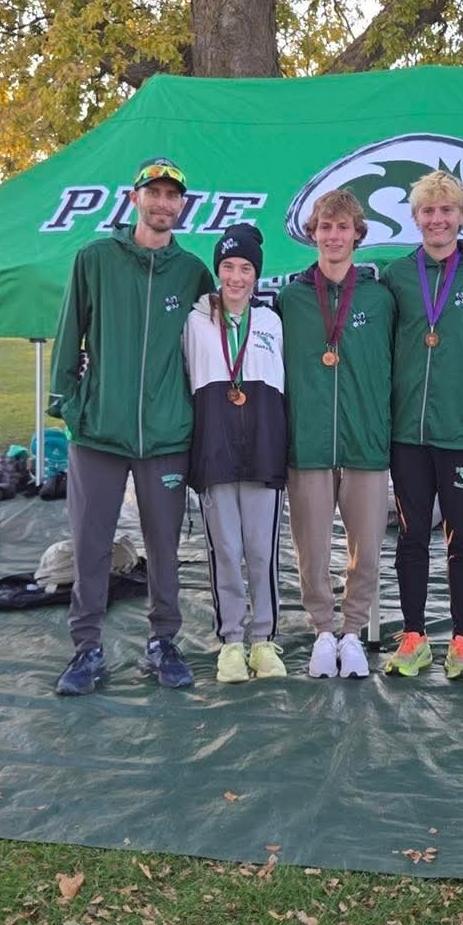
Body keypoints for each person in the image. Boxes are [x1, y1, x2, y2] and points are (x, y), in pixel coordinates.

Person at [49, 157, 214, 695]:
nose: (163, 203)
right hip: (98, 433)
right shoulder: (95, 258)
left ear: (181, 206)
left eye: (173, 196)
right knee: (90, 542)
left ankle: (163, 642)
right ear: (134, 198)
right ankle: (87, 648)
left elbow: (208, 352)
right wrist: (72, 407)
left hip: (165, 436)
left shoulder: (192, 272)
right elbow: (70, 332)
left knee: (163, 543)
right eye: (155, 193)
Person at [381, 171, 463, 682]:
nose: (437, 219)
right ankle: (413, 635)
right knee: (411, 538)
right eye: (428, 211)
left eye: (447, 210)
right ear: (415, 217)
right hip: (408, 433)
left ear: (462, 216)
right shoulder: (397, 275)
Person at [277, 189, 395, 678]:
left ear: (358, 234)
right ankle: (323, 630)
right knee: (312, 548)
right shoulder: (290, 299)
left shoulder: (379, 298)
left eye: (342, 227)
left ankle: (353, 633)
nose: (333, 235)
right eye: (325, 227)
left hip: (366, 442)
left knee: (366, 547)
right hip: (308, 444)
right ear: (313, 234)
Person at [183, 224, 287, 683]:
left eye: (246, 268)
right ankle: (230, 640)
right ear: (217, 270)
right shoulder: (196, 319)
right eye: (228, 266)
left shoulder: (271, 322)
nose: (237, 277)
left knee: (261, 550)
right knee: (224, 549)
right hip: (216, 450)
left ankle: (264, 639)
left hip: (263, 449)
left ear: (257, 274)